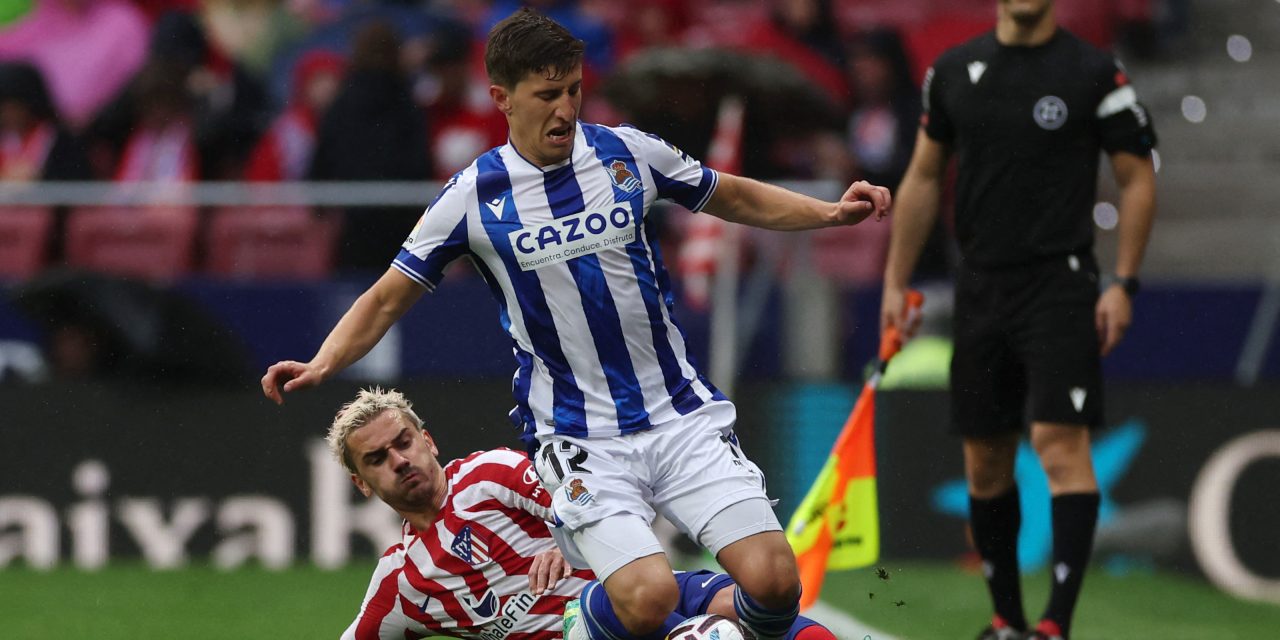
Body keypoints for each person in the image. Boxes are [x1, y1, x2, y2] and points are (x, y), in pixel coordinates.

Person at [263, 9, 890, 640]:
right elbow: (386, 298)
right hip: (579, 436)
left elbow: (731, 194)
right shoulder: (472, 196)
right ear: (502, 99)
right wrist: (322, 362)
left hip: (677, 414)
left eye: (573, 91)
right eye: (546, 95)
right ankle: (584, 628)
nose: (565, 109)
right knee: (648, 597)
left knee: (777, 584)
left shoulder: (626, 153)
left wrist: (831, 213)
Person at [878, 2, 1157, 639]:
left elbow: (1136, 177)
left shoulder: (1094, 72)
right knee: (985, 462)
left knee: (1062, 446)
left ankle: (1055, 625)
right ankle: (1006, 620)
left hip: (1060, 286)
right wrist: (896, 282)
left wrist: (1125, 283)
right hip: (979, 288)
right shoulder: (951, 71)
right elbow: (923, 176)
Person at [330, 387, 836, 639]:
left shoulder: (488, 476)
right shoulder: (403, 584)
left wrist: (564, 538)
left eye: (404, 442)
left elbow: (592, 500)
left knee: (803, 630)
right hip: (595, 621)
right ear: (362, 484)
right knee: (591, 608)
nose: (399, 460)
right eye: (378, 458)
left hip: (639, 595)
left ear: (428, 441)